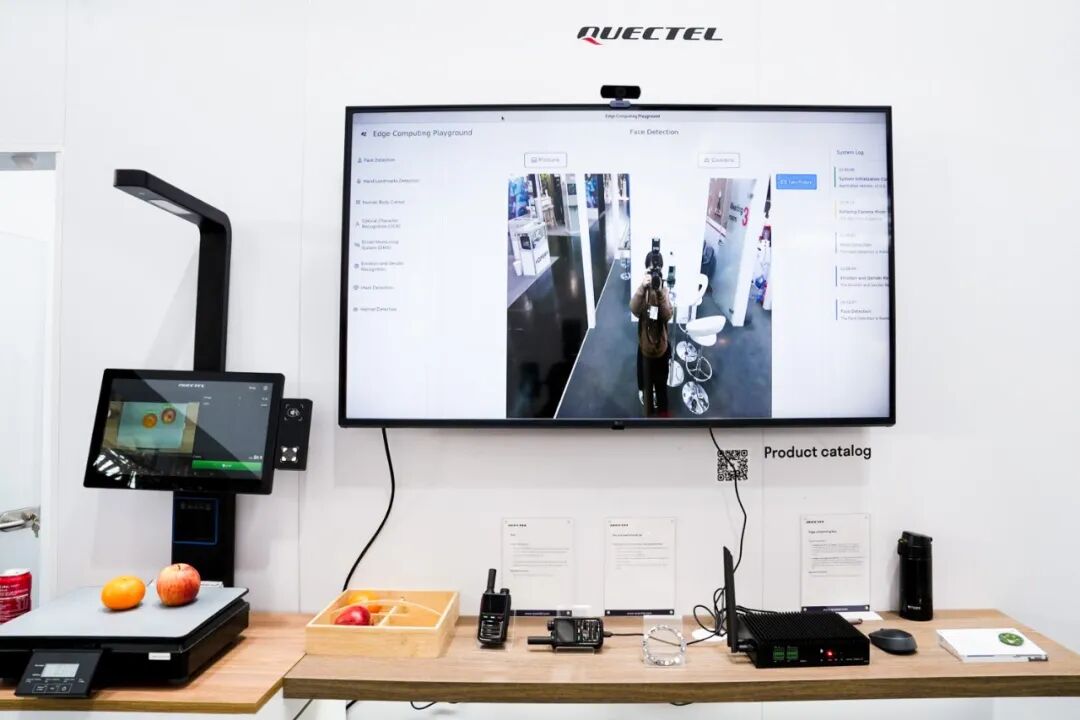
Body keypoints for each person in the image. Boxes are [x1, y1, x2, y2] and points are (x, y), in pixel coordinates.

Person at [630, 271, 673, 417]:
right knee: (647, 386)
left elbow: (667, 315)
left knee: (661, 387)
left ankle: (663, 416)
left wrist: (660, 292)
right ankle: (649, 416)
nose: (653, 277)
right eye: (649, 272)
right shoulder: (643, 292)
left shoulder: (664, 291)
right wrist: (642, 287)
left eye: (655, 273)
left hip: (661, 349)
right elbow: (634, 309)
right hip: (645, 349)